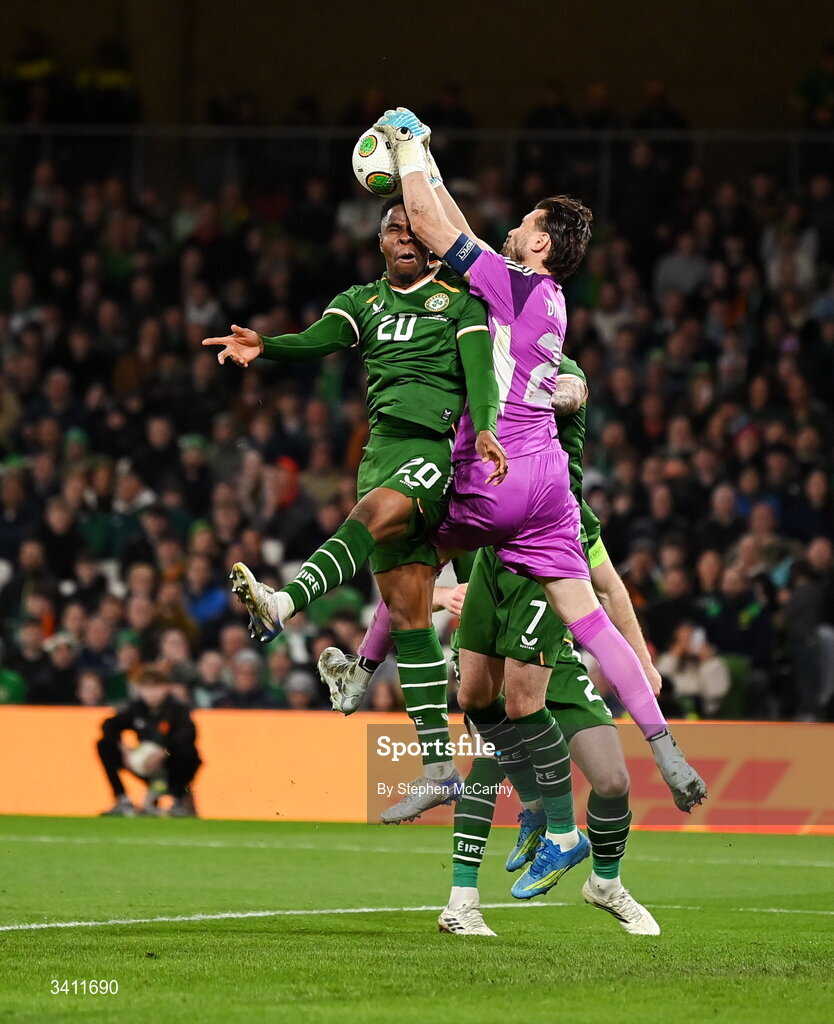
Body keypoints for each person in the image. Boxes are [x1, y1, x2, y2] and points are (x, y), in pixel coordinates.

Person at [355, 110, 705, 858]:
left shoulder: (510, 286)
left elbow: (427, 219)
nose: (511, 229)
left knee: (402, 542)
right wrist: (429, 162)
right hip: (550, 487)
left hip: (496, 468)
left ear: (541, 242)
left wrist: (411, 143)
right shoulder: (548, 300)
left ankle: (367, 681)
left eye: (523, 224)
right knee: (591, 623)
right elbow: (451, 222)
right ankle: (666, 747)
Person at [202, 200, 506, 814]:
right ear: (380, 242)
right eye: (395, 229)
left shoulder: (461, 302)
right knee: (409, 616)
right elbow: (316, 342)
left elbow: (480, 375)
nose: (406, 238)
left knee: (367, 520)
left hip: (432, 453)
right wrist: (267, 345)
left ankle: (283, 601)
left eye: (416, 230)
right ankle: (439, 766)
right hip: (378, 454)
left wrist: (488, 429)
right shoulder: (360, 302)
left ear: (430, 242)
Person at [97, 664, 200, 817]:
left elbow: (188, 734)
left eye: (156, 687)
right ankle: (122, 799)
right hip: (144, 763)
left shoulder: (177, 709)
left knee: (186, 751)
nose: (152, 693)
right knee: (104, 744)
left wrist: (164, 753)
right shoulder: (137, 708)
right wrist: (123, 748)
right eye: (147, 688)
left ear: (166, 687)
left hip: (170, 764)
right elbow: (109, 724)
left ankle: (178, 799)